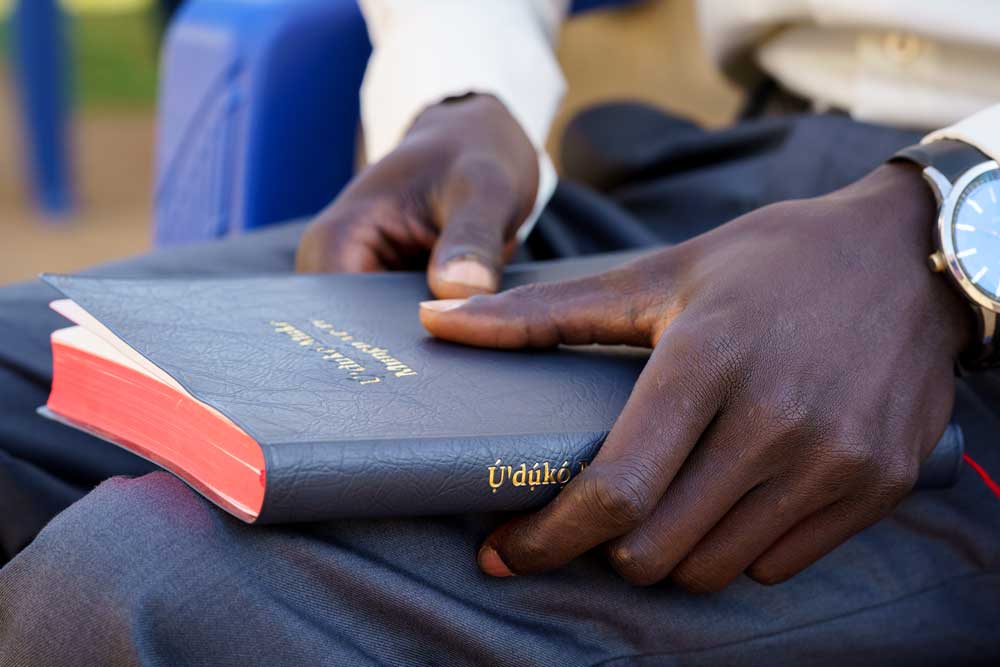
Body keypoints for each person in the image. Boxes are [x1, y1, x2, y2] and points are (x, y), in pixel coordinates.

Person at [2, 1, 999, 664]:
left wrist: (952, 225)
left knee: (146, 588)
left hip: (953, 296)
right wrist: (463, 86)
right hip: (718, 189)